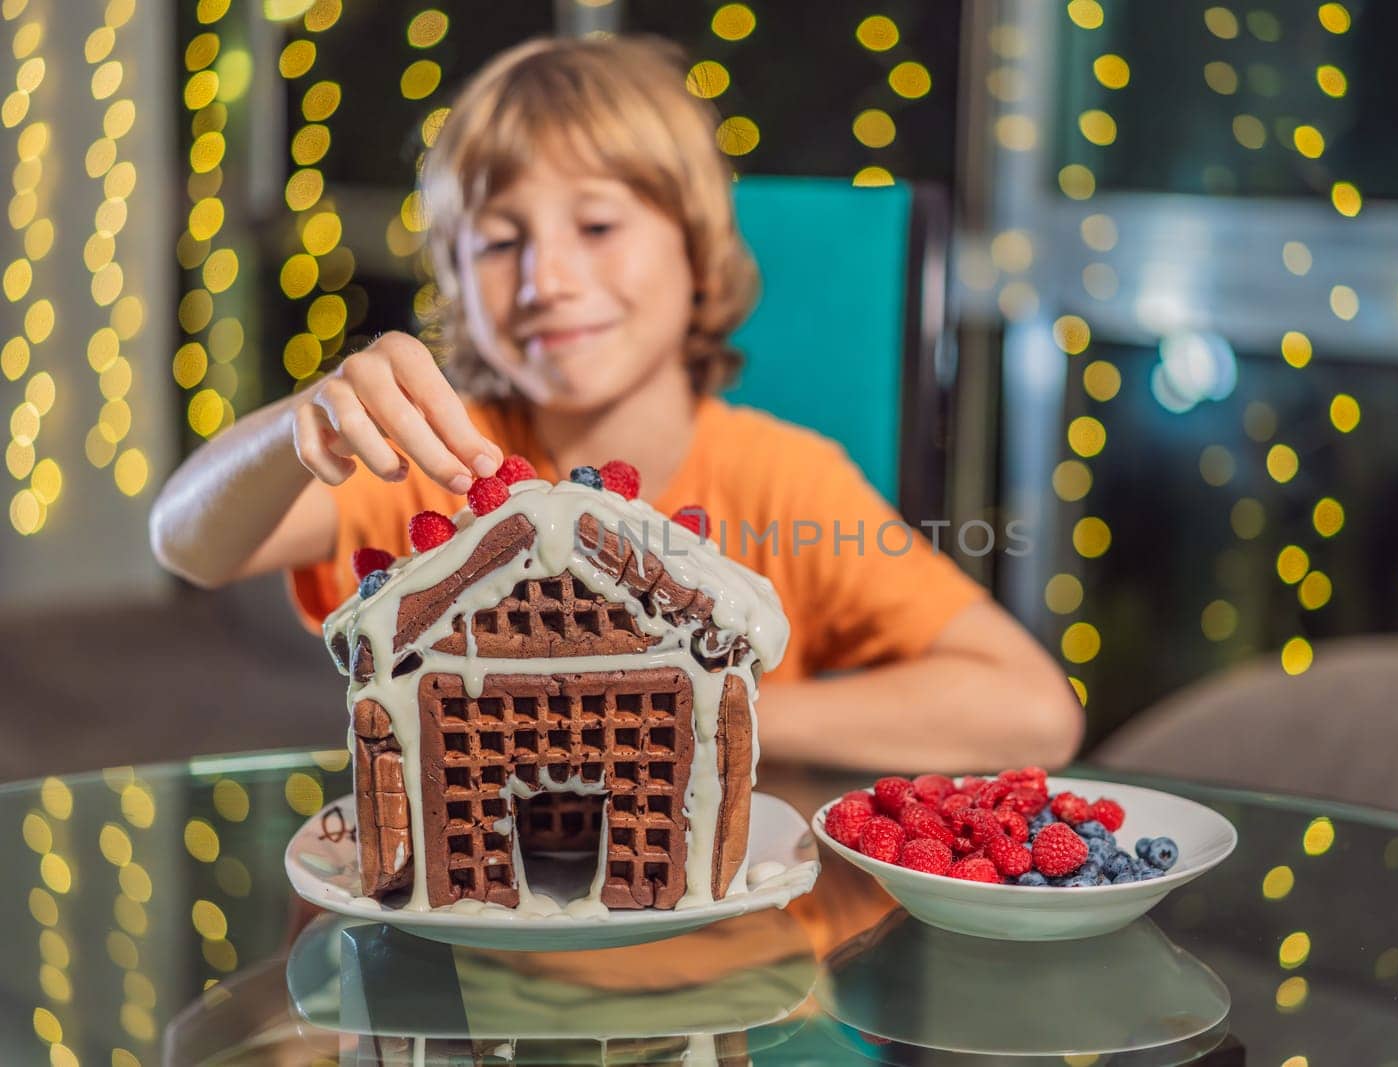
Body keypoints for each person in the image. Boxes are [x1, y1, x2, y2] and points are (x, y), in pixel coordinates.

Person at [149, 35, 1081, 773]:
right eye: (498, 243)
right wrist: (298, 423)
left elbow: (1035, 712)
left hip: (735, 963)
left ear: (696, 248)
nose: (547, 278)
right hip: (462, 954)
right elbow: (189, 540)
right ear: (458, 285)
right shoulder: (441, 460)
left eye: (597, 225)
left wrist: (690, 699)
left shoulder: (785, 482)